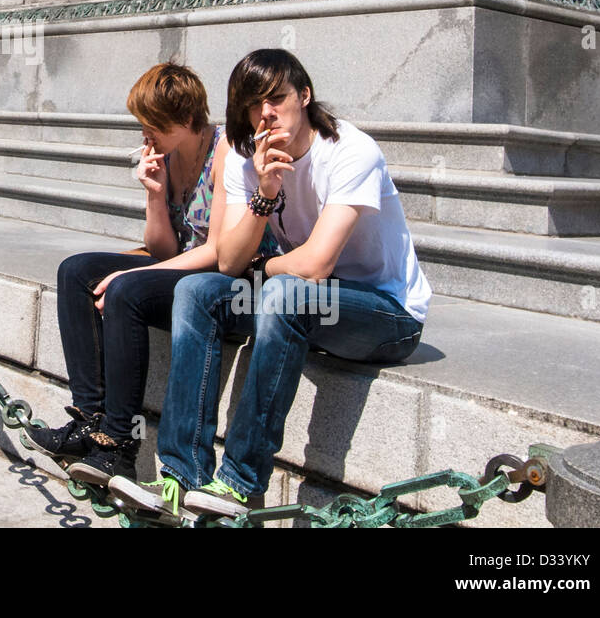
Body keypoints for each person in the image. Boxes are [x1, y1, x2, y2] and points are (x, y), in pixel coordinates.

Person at [109, 49, 432, 520]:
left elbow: (317, 264)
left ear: (304, 96)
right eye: (253, 104)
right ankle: (183, 476)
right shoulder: (247, 157)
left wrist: (263, 272)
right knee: (196, 291)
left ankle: (240, 483)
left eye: (276, 98)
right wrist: (265, 195)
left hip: (385, 313)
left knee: (286, 292)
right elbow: (229, 261)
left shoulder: (350, 150)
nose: (265, 112)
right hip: (303, 300)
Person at [23, 62, 279, 487]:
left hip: (231, 281)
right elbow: (165, 249)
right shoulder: (170, 155)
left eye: (153, 124)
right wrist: (155, 195)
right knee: (75, 272)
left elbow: (217, 253)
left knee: (127, 290)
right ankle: (89, 420)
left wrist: (131, 279)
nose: (145, 133)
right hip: (187, 267)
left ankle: (118, 445)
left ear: (186, 120)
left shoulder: (227, 153)